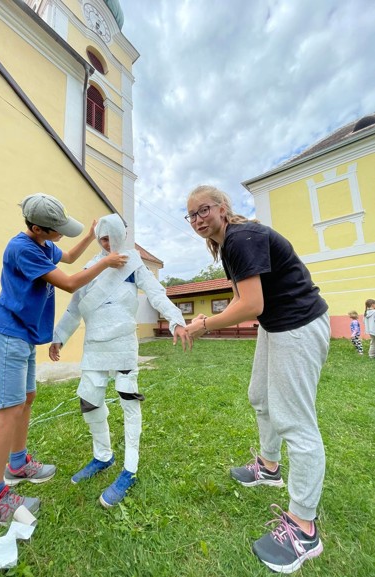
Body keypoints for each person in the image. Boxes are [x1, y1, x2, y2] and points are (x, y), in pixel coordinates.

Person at [185, 185, 330, 574]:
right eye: (192, 215)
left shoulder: (240, 238)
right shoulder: (228, 246)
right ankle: (268, 468)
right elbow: (243, 299)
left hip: (297, 325)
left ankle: (304, 528)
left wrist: (203, 325)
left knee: (296, 422)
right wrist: (207, 321)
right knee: (260, 396)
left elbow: (252, 305)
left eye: (204, 210)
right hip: (277, 326)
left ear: (222, 208)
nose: (198, 219)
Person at [0, 194, 127, 530]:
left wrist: (88, 236)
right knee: (9, 409)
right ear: (37, 228)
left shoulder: (42, 245)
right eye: (58, 231)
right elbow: (69, 282)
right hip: (6, 334)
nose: (62, 236)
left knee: (26, 399)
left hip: (21, 335)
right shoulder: (22, 249)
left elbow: (67, 257)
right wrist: (106, 261)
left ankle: (17, 464)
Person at [49, 214, 191, 507]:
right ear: (99, 237)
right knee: (89, 401)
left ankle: (130, 468)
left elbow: (155, 294)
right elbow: (75, 308)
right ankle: (103, 455)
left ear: (124, 236)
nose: (109, 243)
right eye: (104, 238)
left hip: (123, 344)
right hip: (94, 347)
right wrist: (59, 336)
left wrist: (176, 320)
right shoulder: (90, 267)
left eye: (114, 237)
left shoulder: (133, 263)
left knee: (129, 401)